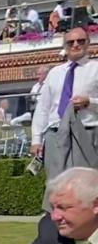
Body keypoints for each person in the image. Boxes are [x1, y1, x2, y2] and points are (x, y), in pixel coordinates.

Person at [31, 27, 98, 212]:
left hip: (87, 132)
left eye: (80, 41)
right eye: (70, 42)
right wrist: (36, 139)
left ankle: (87, 222)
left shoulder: (95, 68)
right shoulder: (55, 73)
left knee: (86, 184)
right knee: (55, 182)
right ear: (65, 46)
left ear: (88, 43)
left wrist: (90, 102)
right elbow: (43, 108)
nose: (75, 45)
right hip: (55, 134)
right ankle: (54, 220)